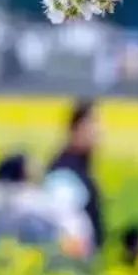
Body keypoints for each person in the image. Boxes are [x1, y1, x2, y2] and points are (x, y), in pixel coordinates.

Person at [44, 100, 107, 256]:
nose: (99, 131)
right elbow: (64, 224)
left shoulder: (82, 166)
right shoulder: (64, 171)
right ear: (77, 128)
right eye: (93, 124)